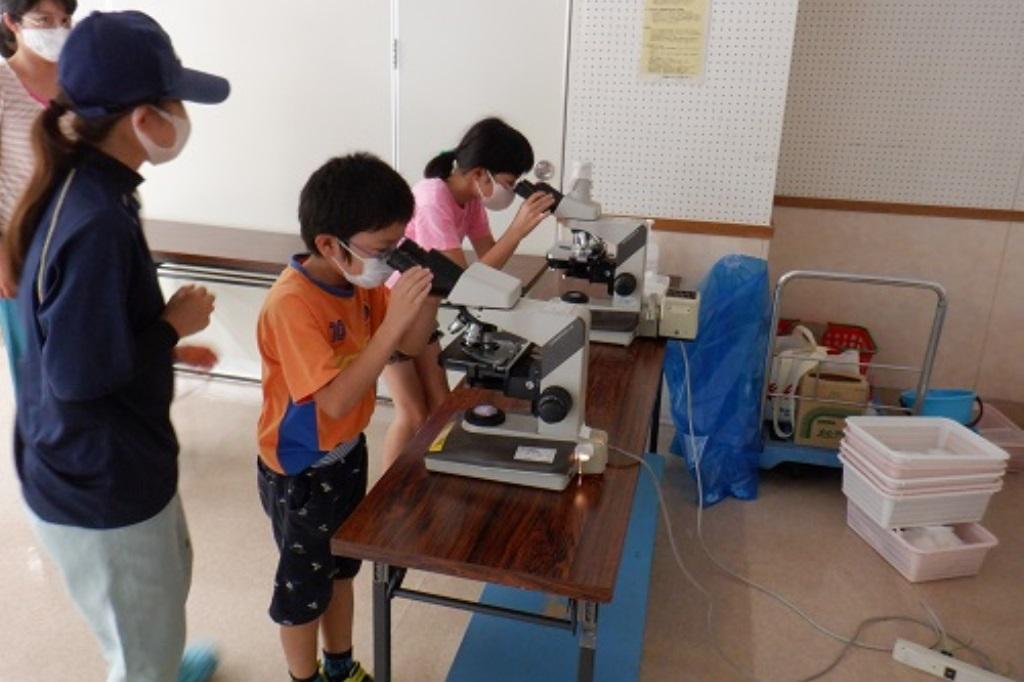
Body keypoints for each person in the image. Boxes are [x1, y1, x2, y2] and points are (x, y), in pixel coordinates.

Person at [4, 10, 229, 682]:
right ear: (140, 117)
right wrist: (170, 327)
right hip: (97, 482)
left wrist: (164, 346)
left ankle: (153, 653)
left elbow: (80, 334)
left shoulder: (92, 185)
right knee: (141, 649)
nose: (183, 114)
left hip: (101, 459)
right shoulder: (95, 218)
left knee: (161, 587)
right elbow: (77, 375)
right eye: (173, 100)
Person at [256, 153, 437, 682]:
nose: (388, 262)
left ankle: (340, 666)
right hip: (301, 468)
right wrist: (392, 320)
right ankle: (303, 677)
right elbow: (332, 400)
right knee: (301, 589)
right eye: (382, 250)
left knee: (339, 570)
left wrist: (428, 297)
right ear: (329, 245)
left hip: (345, 454)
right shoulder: (291, 304)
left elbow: (406, 344)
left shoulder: (356, 285)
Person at [380, 117, 555, 468]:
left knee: (440, 406)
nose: (511, 189)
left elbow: (489, 263)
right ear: (480, 173)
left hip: (423, 307)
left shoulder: (471, 198)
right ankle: (386, 503)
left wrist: (515, 233)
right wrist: (518, 230)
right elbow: (463, 284)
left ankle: (423, 481)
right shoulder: (432, 199)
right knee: (413, 414)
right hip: (392, 308)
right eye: (508, 182)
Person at [0, 0, 77, 391]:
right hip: (22, 249)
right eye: (43, 20)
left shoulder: (82, 81)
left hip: (78, 239)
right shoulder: (2, 85)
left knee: (80, 360)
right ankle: (39, 448)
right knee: (34, 366)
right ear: (12, 22)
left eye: (64, 19)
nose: (57, 29)